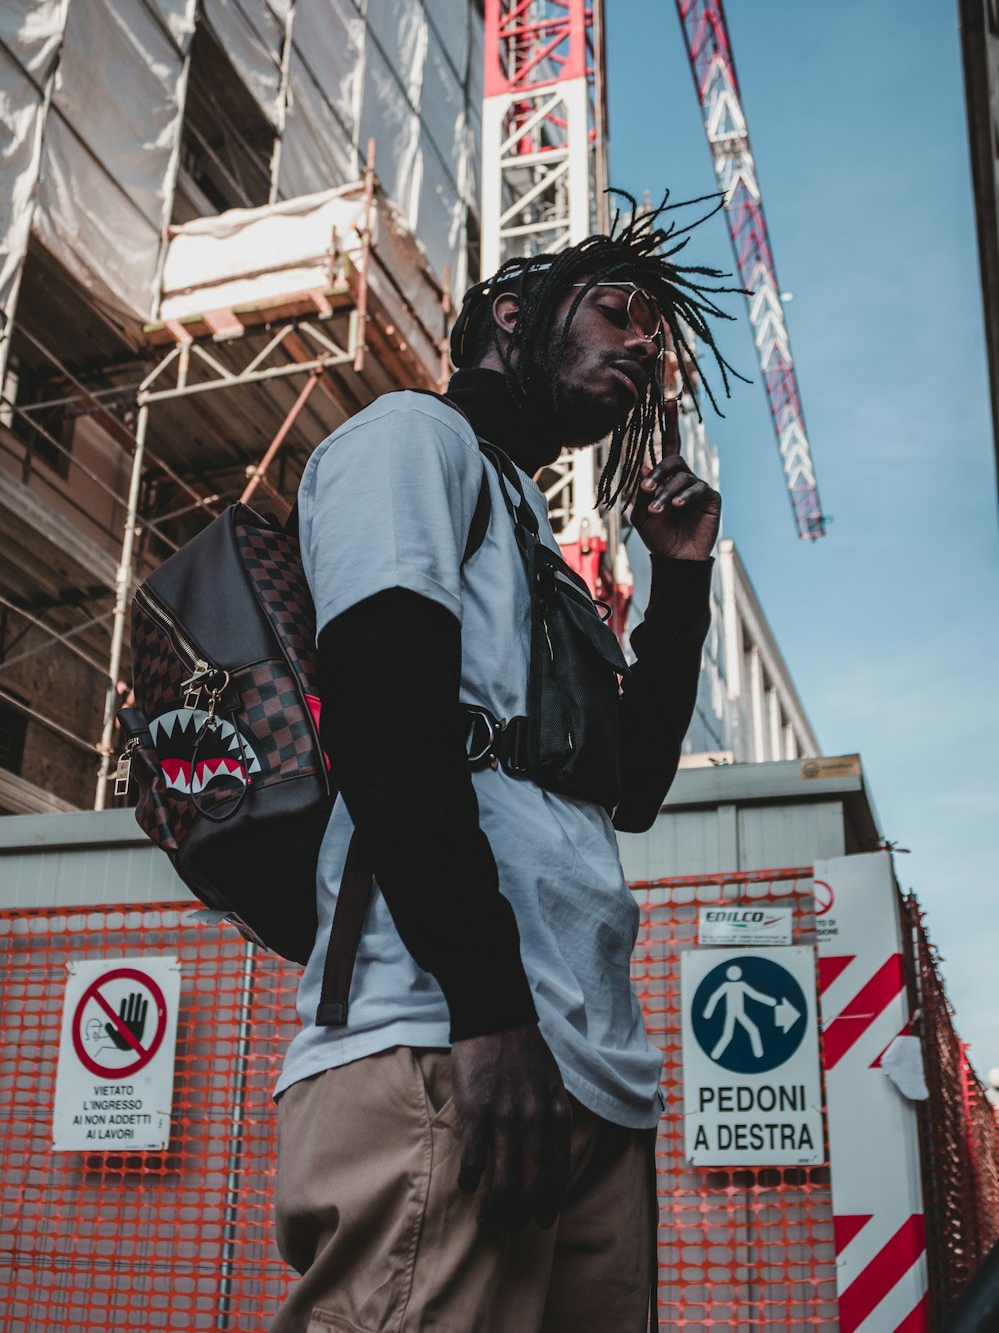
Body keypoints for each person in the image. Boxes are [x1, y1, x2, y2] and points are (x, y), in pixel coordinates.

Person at [271, 194, 742, 1333]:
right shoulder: (407, 441)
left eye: (653, 339)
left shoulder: (528, 524)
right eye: (618, 311)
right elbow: (387, 728)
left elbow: (628, 791)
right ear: (513, 312)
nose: (642, 345)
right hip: (444, 1044)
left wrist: (677, 581)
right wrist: (487, 1007)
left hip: (589, 1071)